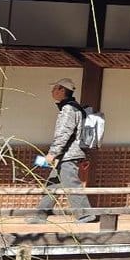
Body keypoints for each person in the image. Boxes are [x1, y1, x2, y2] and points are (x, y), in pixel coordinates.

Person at [27, 78, 96, 224]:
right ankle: (40, 215)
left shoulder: (69, 109)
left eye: (54, 89)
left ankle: (85, 215)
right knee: (53, 184)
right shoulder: (73, 107)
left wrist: (52, 154)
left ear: (62, 90)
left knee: (71, 184)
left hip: (68, 155)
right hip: (66, 154)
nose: (52, 92)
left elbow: (64, 133)